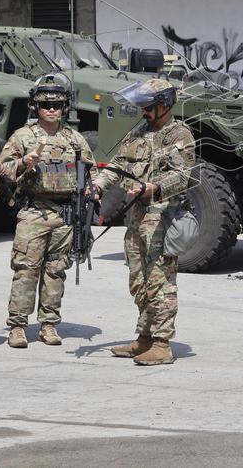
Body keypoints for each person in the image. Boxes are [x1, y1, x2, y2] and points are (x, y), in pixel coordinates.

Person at [95, 78, 196, 366]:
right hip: (137, 217)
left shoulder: (180, 135)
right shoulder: (140, 132)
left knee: (160, 281)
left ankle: (162, 344)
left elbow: (182, 176)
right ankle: (144, 338)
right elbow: (117, 165)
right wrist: (98, 186)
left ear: (163, 105)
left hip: (162, 217)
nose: (143, 112)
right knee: (138, 281)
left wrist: (153, 187)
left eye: (147, 106)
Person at [0, 74, 95, 348]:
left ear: (65, 108)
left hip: (64, 214)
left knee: (55, 271)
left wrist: (91, 190)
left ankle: (49, 324)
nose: (51, 109)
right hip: (34, 212)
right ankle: (17, 326)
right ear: (35, 108)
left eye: (57, 105)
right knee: (26, 270)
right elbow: (2, 169)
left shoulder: (74, 140)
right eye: (45, 105)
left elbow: (90, 171)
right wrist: (22, 162)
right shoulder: (24, 137)